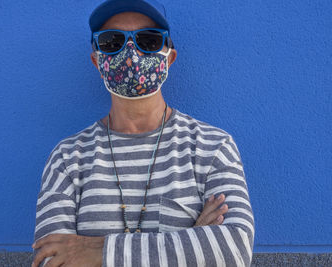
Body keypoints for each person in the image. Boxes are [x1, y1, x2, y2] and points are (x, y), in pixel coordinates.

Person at [31, 0, 255, 266]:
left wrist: (97, 250)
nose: (130, 51)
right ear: (96, 60)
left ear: (169, 58)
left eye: (147, 40)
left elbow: (233, 249)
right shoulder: (67, 158)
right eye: (112, 41)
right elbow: (50, 259)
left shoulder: (213, 146)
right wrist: (191, 240)